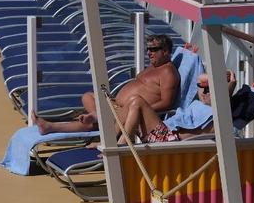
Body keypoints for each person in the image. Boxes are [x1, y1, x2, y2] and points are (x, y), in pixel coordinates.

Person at [34, 34, 180, 143]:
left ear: (166, 51)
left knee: (95, 121)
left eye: (154, 50)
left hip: (131, 110)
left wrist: (139, 108)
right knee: (88, 96)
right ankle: (96, 116)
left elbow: (167, 103)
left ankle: (53, 126)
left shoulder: (168, 72)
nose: (149, 53)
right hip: (118, 105)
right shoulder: (153, 66)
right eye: (148, 49)